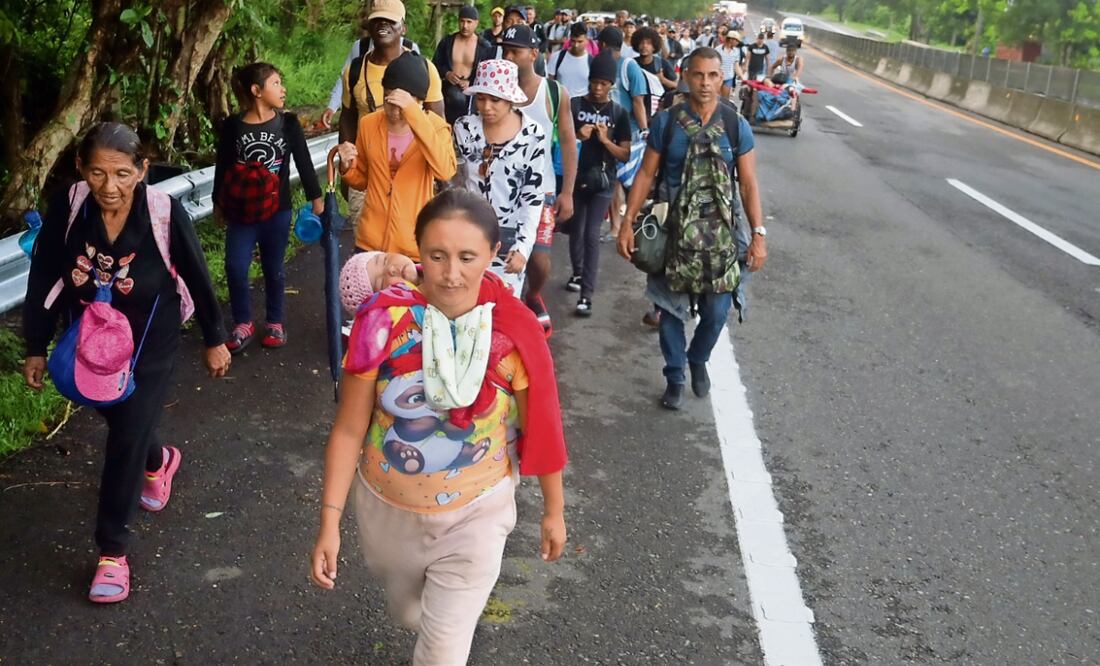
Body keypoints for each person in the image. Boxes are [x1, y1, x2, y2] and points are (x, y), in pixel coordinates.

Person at [310, 189, 568, 666]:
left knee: (441, 652)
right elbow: (348, 430)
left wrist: (554, 509)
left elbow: (543, 427)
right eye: (437, 255)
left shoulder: (514, 333)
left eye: (468, 257)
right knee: (411, 615)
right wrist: (329, 520)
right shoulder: (381, 323)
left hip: (478, 513)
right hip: (387, 512)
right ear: (418, 250)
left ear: (492, 254)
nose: (451, 273)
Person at [23, 122, 230, 604]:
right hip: (91, 340)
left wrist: (214, 338)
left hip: (149, 344)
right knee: (119, 418)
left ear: (142, 170)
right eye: (97, 173)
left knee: (124, 435)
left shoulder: (161, 211)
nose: (109, 187)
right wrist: (36, 343)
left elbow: (197, 274)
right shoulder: (71, 205)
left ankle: (112, 552)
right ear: (81, 170)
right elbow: (43, 274)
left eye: (121, 173)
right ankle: (160, 460)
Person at [616, 47, 768, 410]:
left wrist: (758, 235)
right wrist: (627, 222)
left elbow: (747, 184)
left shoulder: (735, 124)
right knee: (669, 308)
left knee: (717, 311)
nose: (705, 83)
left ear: (722, 78)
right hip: (672, 231)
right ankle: (675, 375)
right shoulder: (667, 123)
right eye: (698, 75)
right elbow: (647, 174)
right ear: (685, 76)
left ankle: (698, 357)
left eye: (713, 75)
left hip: (721, 233)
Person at [214, 63, 324, 352]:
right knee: (235, 266)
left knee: (274, 268)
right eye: (276, 83)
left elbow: (303, 161)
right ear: (256, 91)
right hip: (241, 212)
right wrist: (218, 203)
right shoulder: (233, 127)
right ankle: (243, 323)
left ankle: (275, 322)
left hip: (278, 209)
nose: (282, 89)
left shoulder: (287, 123)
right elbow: (223, 167)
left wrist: (317, 198)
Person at [337, 52, 457, 260]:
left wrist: (414, 116)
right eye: (389, 99)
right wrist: (347, 167)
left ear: (419, 101)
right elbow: (363, 179)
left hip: (412, 246)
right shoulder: (369, 124)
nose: (393, 110)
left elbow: (444, 170)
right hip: (369, 242)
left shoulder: (435, 128)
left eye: (402, 102)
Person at [501, 24, 577, 333]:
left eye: (515, 51)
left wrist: (567, 191)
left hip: (541, 190)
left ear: (533, 54)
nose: (507, 57)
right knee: (500, 256)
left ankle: (532, 295)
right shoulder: (495, 90)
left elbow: (569, 142)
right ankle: (507, 311)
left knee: (539, 261)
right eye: (504, 50)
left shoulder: (554, 93)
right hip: (501, 190)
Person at [453, 59, 548, 297]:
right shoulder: (464, 129)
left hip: (508, 240)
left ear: (510, 100)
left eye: (495, 99)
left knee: (501, 309)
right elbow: (454, 184)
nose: (486, 107)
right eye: (481, 98)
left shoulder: (532, 135)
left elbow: (532, 196)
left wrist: (524, 247)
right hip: (467, 234)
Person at [565, 52, 631, 317]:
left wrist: (605, 141)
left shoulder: (618, 113)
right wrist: (577, 137)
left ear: (611, 85)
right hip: (577, 177)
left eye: (603, 83)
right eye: (594, 81)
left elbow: (625, 154)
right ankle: (578, 272)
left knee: (592, 232)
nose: (597, 87)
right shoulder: (574, 105)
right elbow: (559, 141)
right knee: (575, 229)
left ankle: (586, 295)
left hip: (604, 181)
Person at [321, 4, 424, 129]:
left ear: (403, 28)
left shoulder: (413, 51)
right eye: (378, 20)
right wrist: (332, 106)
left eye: (391, 20)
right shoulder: (360, 48)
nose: (383, 24)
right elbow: (345, 78)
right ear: (369, 26)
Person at [598, 26, 649, 242]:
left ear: (601, 45)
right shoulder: (604, 65)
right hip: (608, 133)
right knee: (614, 180)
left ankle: (631, 222)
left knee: (632, 181)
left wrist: (644, 131)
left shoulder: (629, 67)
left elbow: (639, 101)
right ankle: (616, 227)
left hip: (631, 133)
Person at [433, 5, 495, 125]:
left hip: (474, 91)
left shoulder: (484, 46)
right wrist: (447, 73)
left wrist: (471, 82)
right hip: (449, 89)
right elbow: (435, 64)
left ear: (476, 23)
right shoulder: (447, 42)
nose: (465, 26)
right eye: (462, 21)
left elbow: (489, 73)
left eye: (469, 22)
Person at [549, 22, 594, 98]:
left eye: (580, 41)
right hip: (560, 104)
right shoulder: (557, 57)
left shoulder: (592, 62)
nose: (576, 45)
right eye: (573, 41)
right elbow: (549, 83)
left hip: (582, 106)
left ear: (587, 40)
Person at [718, 30, 746, 100]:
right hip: (718, 77)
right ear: (731, 39)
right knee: (716, 98)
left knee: (725, 99)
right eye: (736, 41)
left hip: (728, 78)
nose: (737, 43)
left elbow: (736, 66)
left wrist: (742, 77)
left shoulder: (736, 51)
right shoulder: (718, 49)